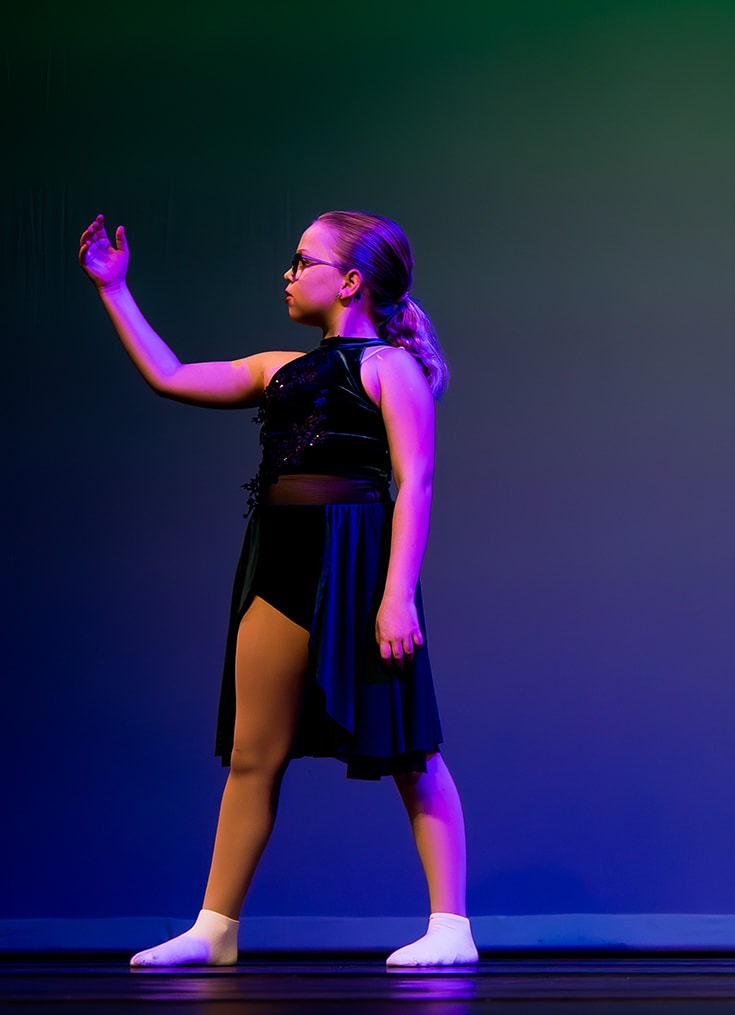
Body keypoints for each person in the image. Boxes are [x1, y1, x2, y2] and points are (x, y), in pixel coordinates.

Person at [77, 210, 478, 967]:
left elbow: (416, 482)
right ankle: (215, 927)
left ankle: (451, 925)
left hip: (357, 563)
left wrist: (396, 595)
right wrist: (115, 289)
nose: (287, 275)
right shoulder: (277, 368)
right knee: (252, 752)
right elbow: (170, 375)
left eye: (302, 261)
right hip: (278, 559)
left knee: (409, 746)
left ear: (350, 281)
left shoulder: (390, 368)